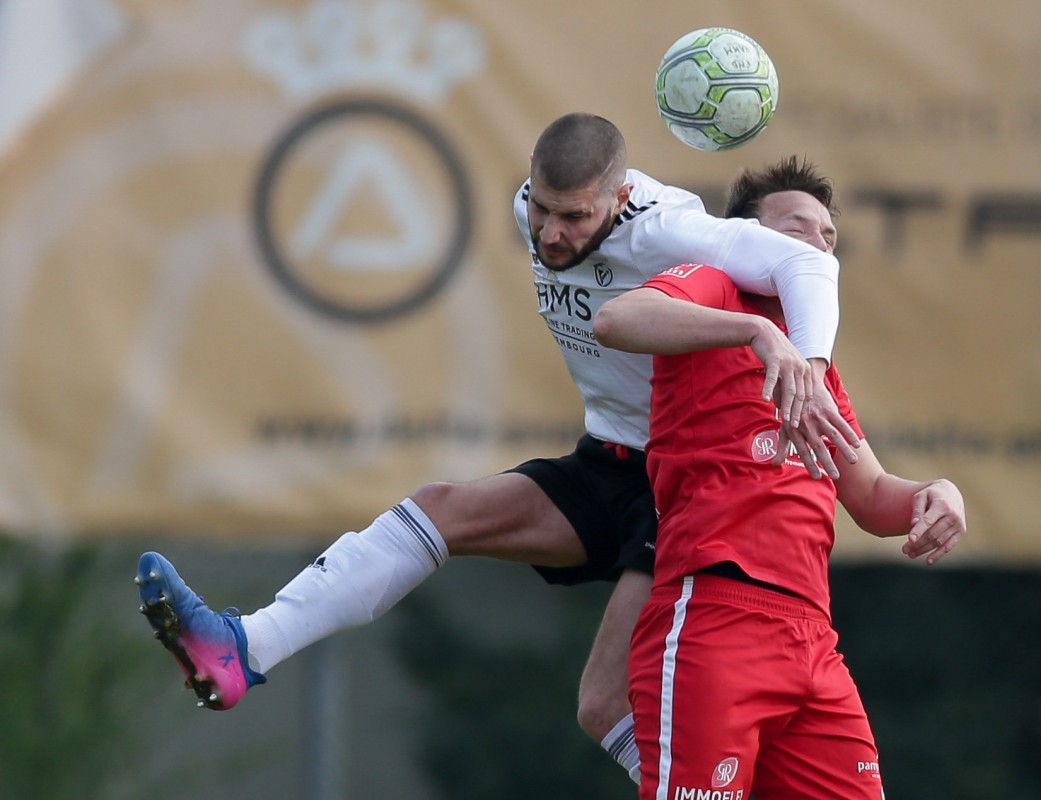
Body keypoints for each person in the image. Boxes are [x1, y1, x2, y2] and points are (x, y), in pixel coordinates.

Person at [135, 113, 862, 781]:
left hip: (676, 492)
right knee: (441, 510)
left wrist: (807, 365)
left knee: (606, 701)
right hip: (609, 459)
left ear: (619, 195)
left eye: (574, 217)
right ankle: (245, 648)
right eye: (543, 209)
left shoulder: (672, 231)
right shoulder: (534, 209)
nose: (550, 234)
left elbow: (808, 267)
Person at [592, 155, 967, 798]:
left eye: (828, 237)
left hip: (812, 639)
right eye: (796, 231)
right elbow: (616, 320)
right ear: (745, 238)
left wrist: (937, 493)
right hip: (715, 613)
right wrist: (758, 331)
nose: (817, 247)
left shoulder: (815, 369)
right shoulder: (716, 288)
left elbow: (873, 496)